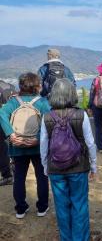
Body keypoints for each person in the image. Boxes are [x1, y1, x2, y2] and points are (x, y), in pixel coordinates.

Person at [40, 79, 97, 241]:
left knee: (61, 207)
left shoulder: (47, 117)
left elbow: (44, 144)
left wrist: (45, 165)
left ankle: (66, 238)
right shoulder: (81, 114)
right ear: (72, 94)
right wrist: (94, 166)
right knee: (79, 205)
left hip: (55, 168)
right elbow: (90, 143)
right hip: (79, 167)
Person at [0, 73, 50, 219]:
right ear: (36, 86)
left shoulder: (13, 102)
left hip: (17, 146)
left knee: (19, 176)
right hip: (37, 146)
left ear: (21, 86)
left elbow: (1, 114)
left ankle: (20, 209)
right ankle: (42, 207)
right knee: (41, 176)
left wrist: (11, 135)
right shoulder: (42, 102)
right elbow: (48, 121)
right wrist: (38, 138)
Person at [0, 80, 16, 186]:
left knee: (2, 148)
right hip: (13, 120)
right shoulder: (10, 86)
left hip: (2, 121)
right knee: (10, 146)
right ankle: (14, 171)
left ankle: (7, 176)